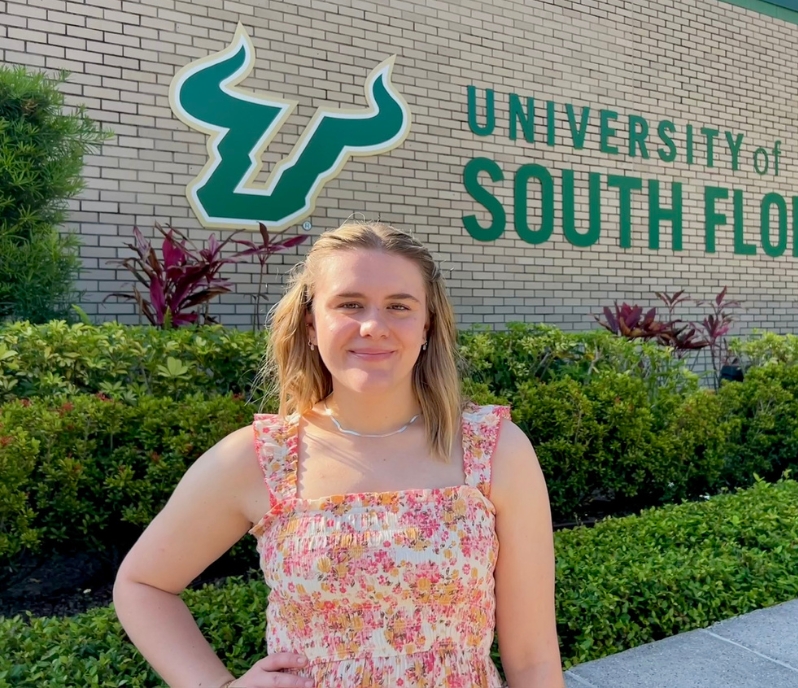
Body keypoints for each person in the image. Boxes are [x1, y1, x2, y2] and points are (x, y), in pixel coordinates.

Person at [114, 220, 565, 688]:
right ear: (311, 323)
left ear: (428, 324)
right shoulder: (260, 458)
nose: (374, 326)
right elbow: (142, 585)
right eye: (350, 304)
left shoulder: (493, 449)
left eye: (399, 306)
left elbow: (532, 658)